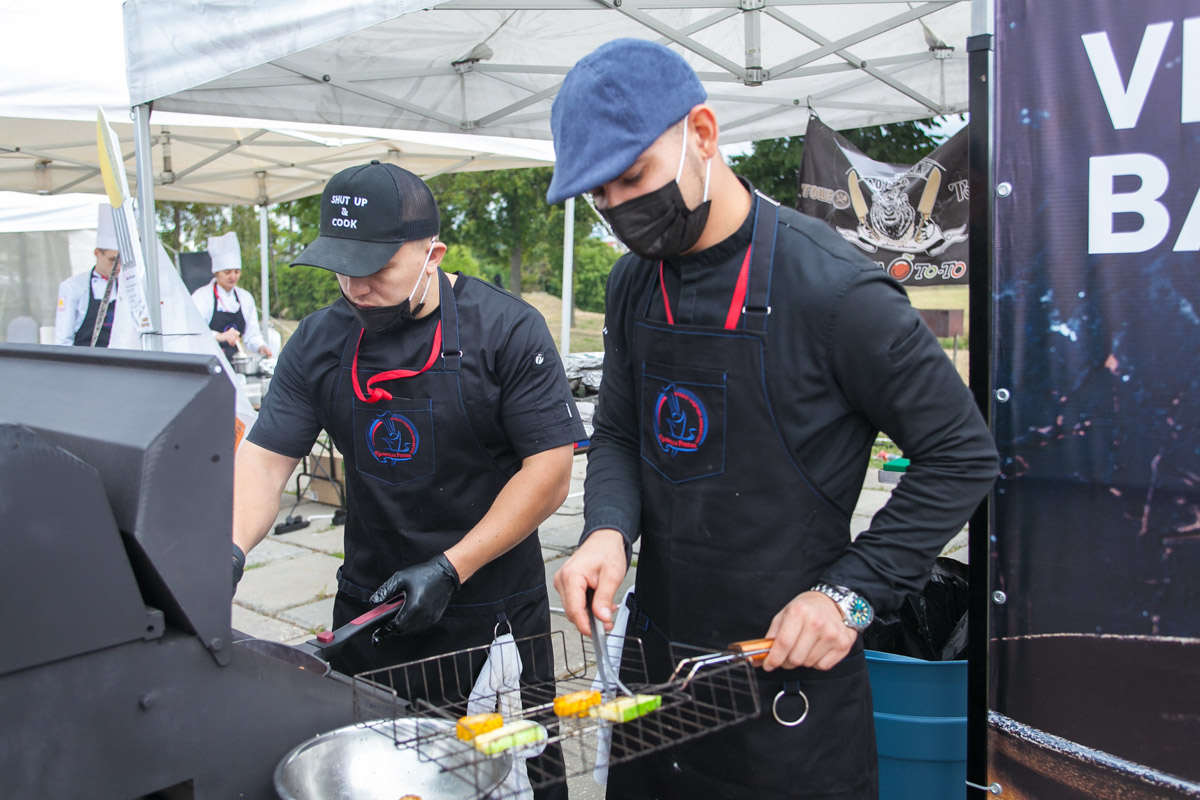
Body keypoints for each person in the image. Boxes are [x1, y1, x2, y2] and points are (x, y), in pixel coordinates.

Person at [547, 39, 998, 799]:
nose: (622, 209)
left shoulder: (836, 292)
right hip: (658, 674)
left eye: (634, 177)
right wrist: (606, 530)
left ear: (702, 133)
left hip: (788, 689)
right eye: (600, 196)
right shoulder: (631, 285)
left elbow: (961, 454)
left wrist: (850, 596)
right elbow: (621, 433)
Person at [230, 161, 582, 798]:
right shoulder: (317, 339)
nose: (356, 288)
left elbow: (551, 472)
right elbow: (265, 458)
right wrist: (229, 549)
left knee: (510, 781)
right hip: (371, 615)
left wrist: (451, 567)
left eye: (376, 270)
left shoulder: (505, 329)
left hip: (487, 615)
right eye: (343, 269)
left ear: (432, 253)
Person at [191, 231, 273, 360]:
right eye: (227, 272)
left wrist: (261, 346)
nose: (233, 277)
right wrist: (219, 336)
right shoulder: (201, 297)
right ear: (216, 273)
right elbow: (194, 332)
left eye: (237, 272)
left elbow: (252, 335)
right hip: (209, 360)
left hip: (237, 361)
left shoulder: (245, 298)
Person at [54, 206, 121, 347]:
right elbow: (63, 339)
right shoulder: (72, 286)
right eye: (112, 260)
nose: (118, 267)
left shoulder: (126, 287)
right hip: (84, 361)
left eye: (121, 261)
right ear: (97, 253)